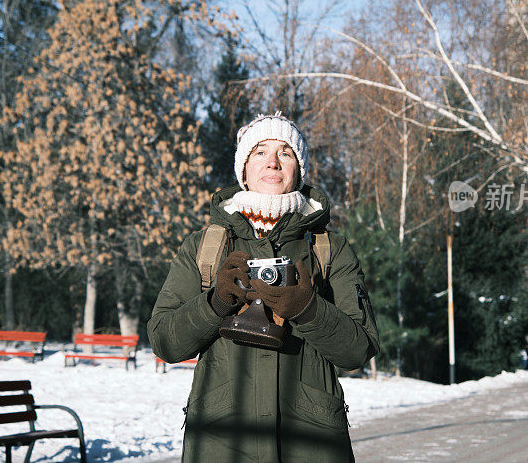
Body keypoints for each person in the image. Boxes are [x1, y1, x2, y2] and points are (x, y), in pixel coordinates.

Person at [148, 112, 378, 462]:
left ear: (299, 169)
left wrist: (308, 310)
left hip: (311, 443)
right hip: (221, 441)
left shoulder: (329, 249)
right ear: (244, 169)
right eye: (260, 152)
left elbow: (358, 350)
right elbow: (164, 341)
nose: (272, 162)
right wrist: (215, 303)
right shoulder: (205, 247)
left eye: (286, 152)